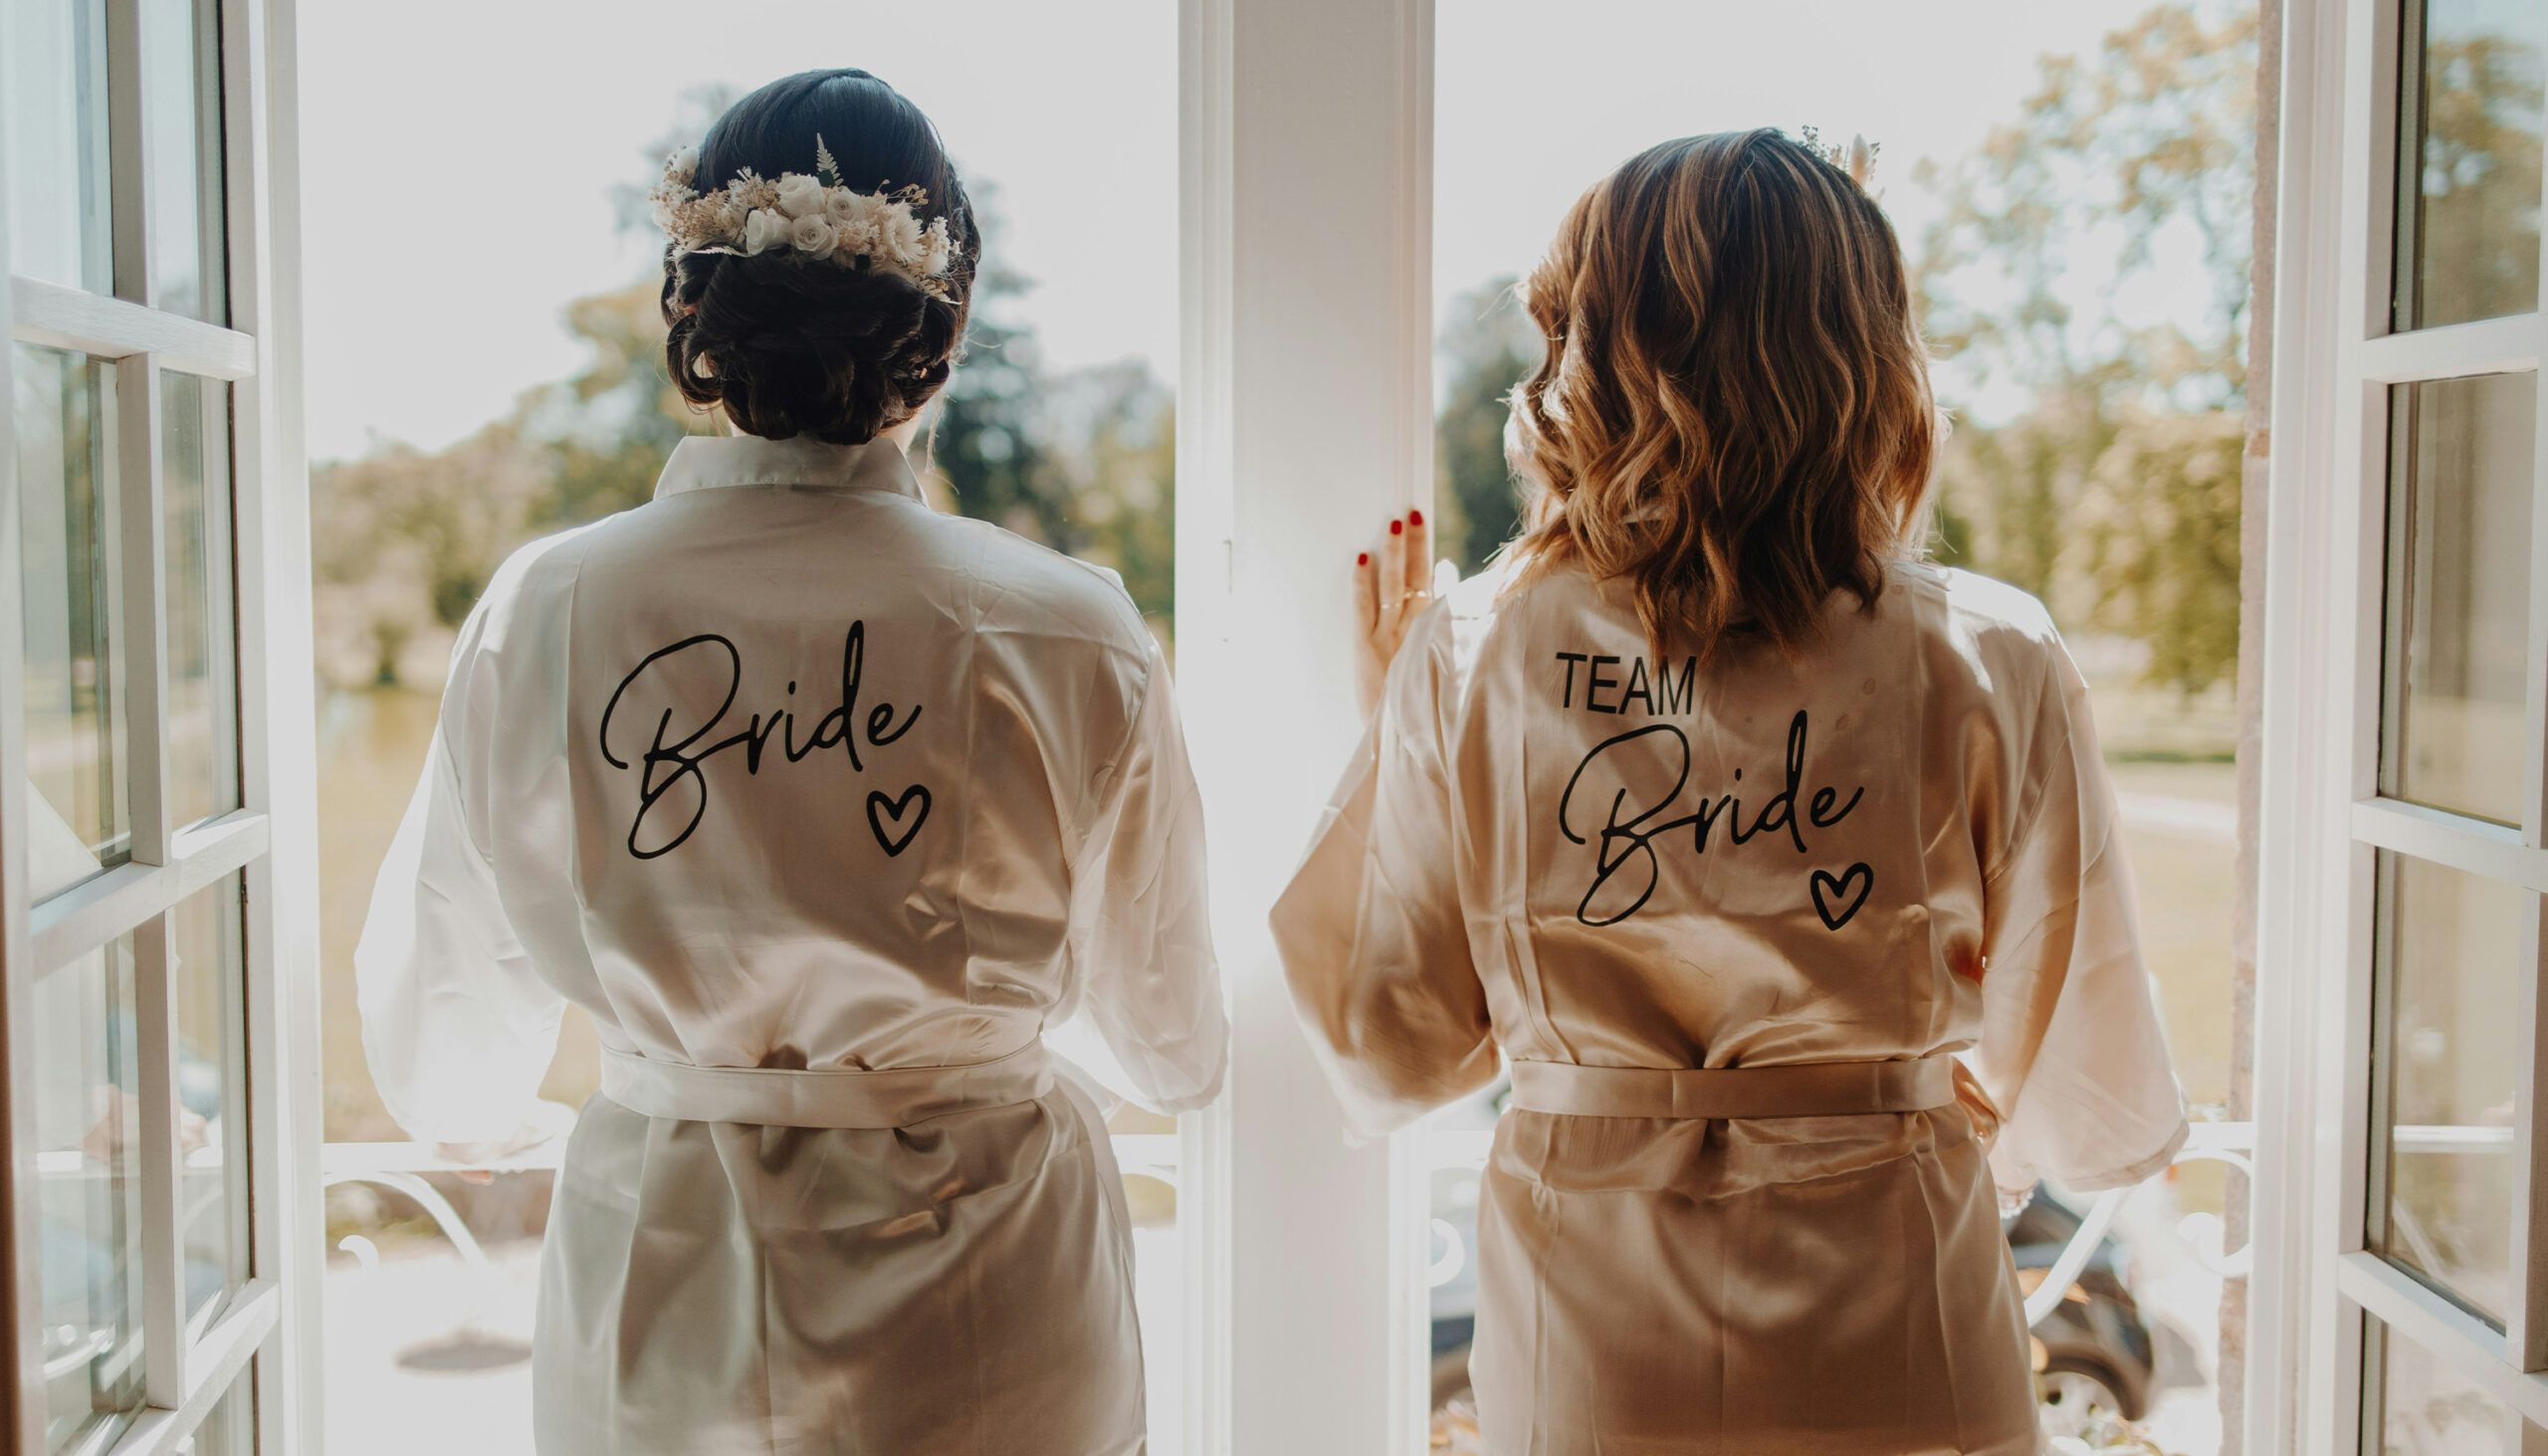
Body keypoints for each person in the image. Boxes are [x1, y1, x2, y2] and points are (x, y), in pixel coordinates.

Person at [1272, 128, 2187, 1455]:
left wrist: (1412, 735)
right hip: (1900, 1306)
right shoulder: (1990, 649)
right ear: (1867, 359)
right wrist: (1911, 1105)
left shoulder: (1475, 651)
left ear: (1593, 353)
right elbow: (2078, 1058)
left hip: (1592, 1326)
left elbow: (1388, 1030)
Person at [356, 69, 1226, 1456]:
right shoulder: (1069, 627)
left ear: (690, 310)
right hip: (1000, 1321)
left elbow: (449, 1062)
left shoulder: (554, 609)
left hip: (669, 1310)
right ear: (940, 331)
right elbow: (1171, 1042)